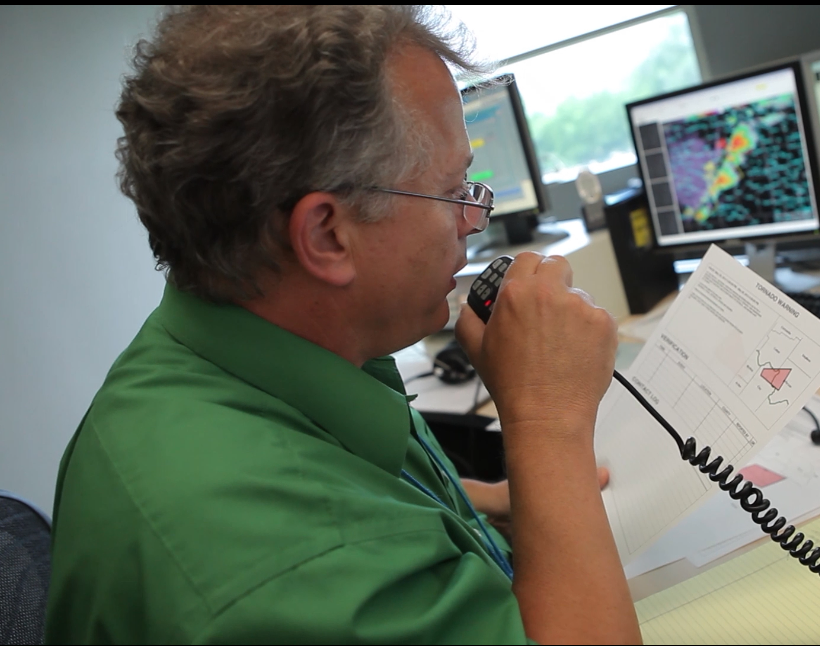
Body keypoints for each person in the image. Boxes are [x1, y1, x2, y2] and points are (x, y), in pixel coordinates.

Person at [45, 6, 641, 644]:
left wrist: (469, 509)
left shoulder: (228, 357)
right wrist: (548, 423)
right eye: (454, 190)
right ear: (327, 234)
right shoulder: (290, 565)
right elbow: (319, 547)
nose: (473, 220)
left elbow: (341, 499)